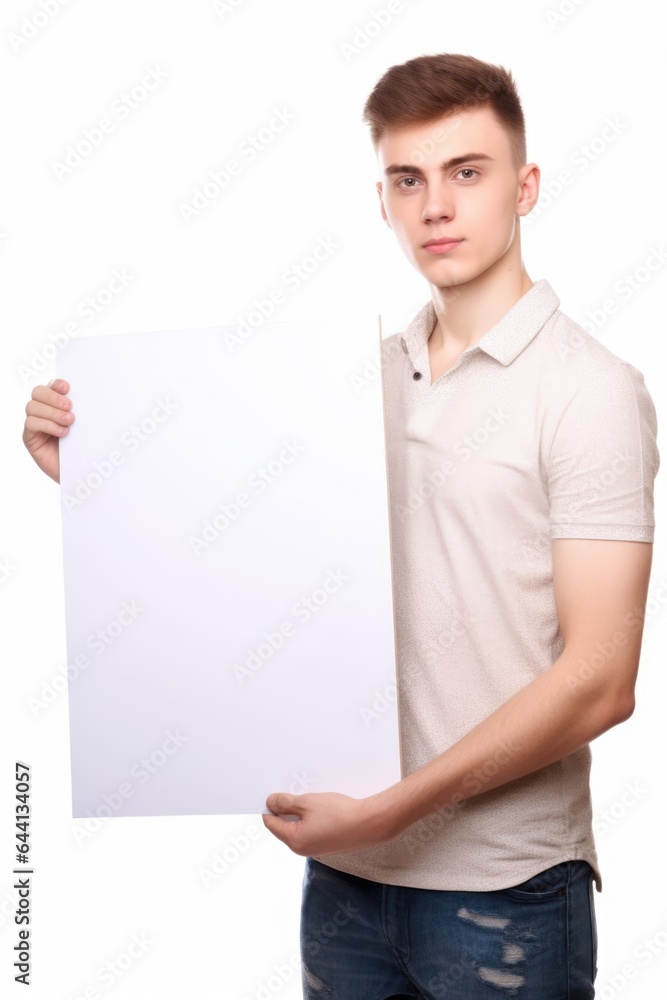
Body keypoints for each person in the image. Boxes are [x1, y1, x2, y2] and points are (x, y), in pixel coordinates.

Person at [23, 53, 659, 1000]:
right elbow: (248, 557)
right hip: (346, 888)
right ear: (384, 203)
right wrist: (101, 482)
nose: (435, 205)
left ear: (524, 186)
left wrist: (390, 811)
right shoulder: (343, 380)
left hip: (504, 891)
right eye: (409, 179)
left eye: (466, 172)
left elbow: (601, 681)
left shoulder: (590, 391)